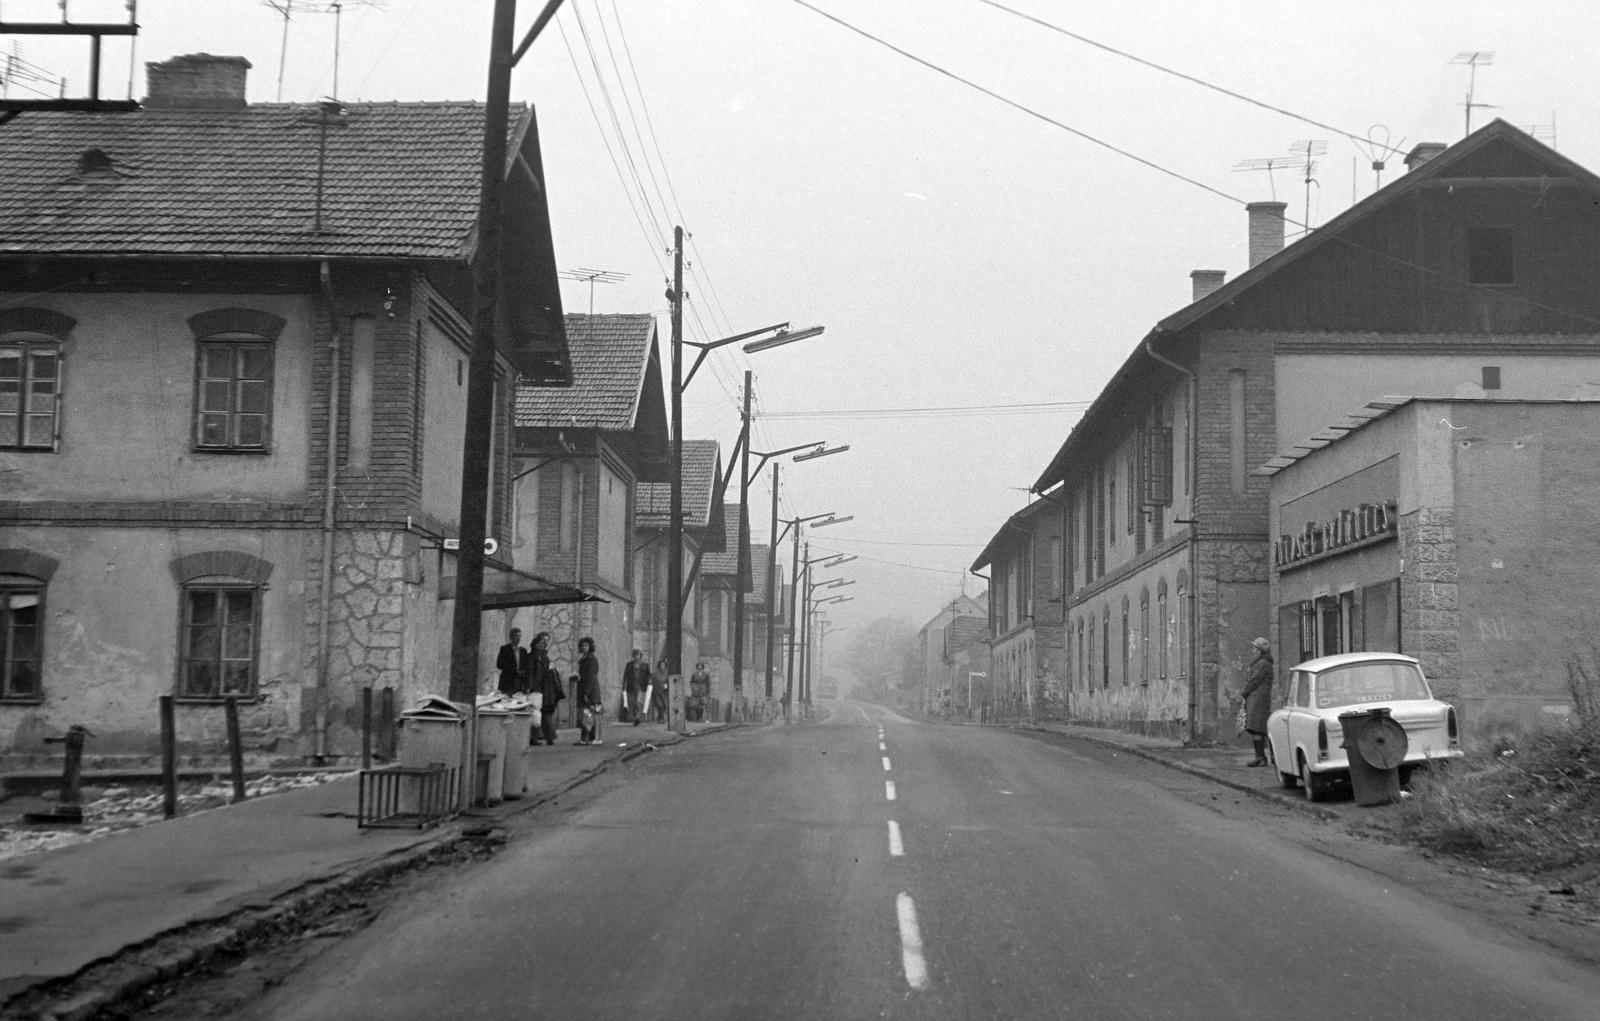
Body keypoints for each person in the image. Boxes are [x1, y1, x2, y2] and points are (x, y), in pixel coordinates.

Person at [1242, 636, 1275, 766]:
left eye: (1255, 648)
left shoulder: (1262, 664)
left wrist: (1244, 693)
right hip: (1257, 697)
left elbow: (1254, 680)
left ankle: (1262, 757)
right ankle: (1260, 757)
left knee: (1257, 728)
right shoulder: (1261, 663)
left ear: (1260, 650)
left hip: (1259, 698)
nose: (1253, 650)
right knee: (1256, 728)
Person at [532, 632, 563, 746]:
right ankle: (544, 736)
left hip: (544, 688)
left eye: (546, 641)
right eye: (542, 641)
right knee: (540, 712)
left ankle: (547, 736)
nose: (544, 644)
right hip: (541, 687)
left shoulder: (543, 656)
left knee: (544, 712)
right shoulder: (538, 656)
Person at [576, 637, 601, 744]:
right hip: (585, 688)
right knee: (586, 714)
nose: (584, 647)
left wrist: (586, 692)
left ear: (590, 646)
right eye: (582, 646)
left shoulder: (591, 659)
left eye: (586, 645)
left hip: (590, 689)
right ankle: (586, 738)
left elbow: (591, 676)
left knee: (591, 713)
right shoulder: (584, 658)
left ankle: (594, 738)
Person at [622, 648, 650, 726]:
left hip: (640, 686)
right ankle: (634, 717)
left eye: (638, 655)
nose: (636, 656)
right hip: (631, 686)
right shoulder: (629, 664)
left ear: (640, 655)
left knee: (638, 702)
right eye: (635, 655)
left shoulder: (645, 665)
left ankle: (637, 718)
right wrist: (624, 684)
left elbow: (648, 675)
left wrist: (649, 683)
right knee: (632, 702)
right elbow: (625, 675)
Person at [495, 628, 524, 695]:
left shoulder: (523, 651)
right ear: (511, 637)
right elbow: (499, 664)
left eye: (520, 636)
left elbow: (525, 665)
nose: (518, 638)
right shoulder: (505, 649)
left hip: (519, 682)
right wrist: (514, 670)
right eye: (516, 636)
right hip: (507, 681)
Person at [652, 658, 671, 723]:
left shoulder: (666, 675)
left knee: (664, 706)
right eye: (661, 665)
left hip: (664, 692)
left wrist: (666, 687)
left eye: (663, 665)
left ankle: (660, 717)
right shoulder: (654, 674)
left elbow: (668, 682)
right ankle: (661, 719)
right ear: (659, 666)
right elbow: (652, 682)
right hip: (657, 692)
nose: (662, 666)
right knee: (660, 705)